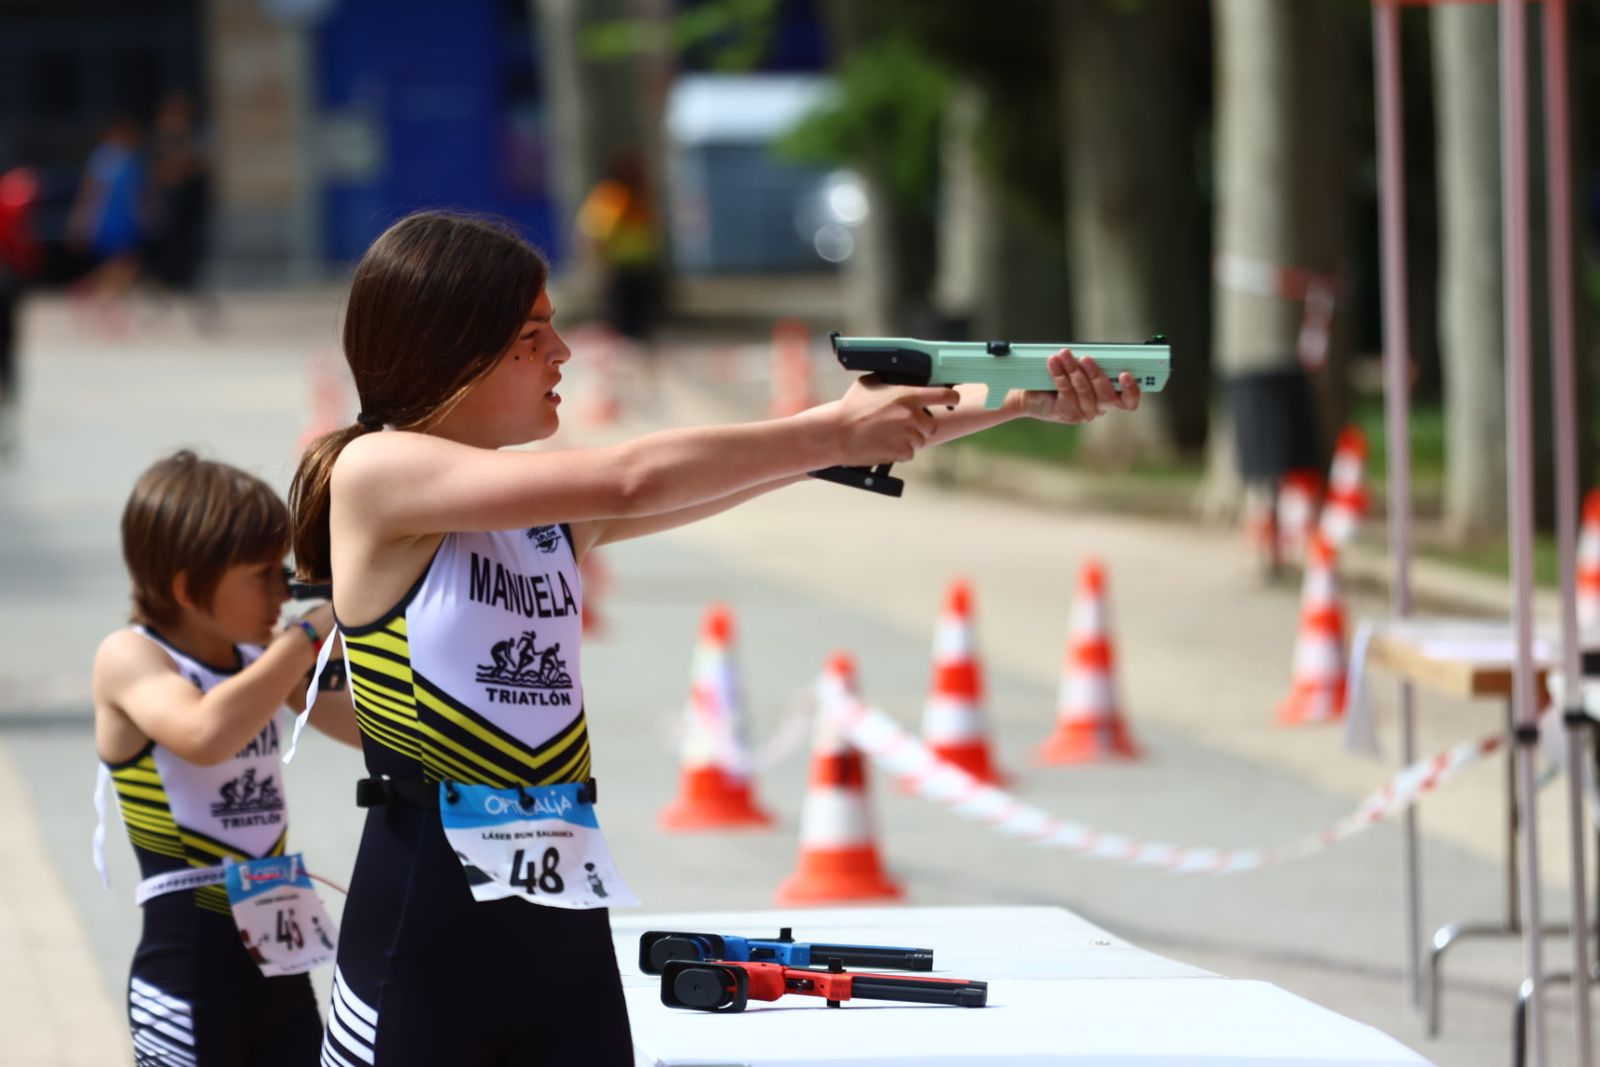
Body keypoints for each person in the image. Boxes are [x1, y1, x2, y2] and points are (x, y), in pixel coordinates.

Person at [288, 210, 1139, 1066]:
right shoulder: (378, 469)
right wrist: (833, 430)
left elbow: (759, 465)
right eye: (533, 332)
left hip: (558, 906)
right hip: (427, 912)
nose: (564, 353)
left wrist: (1018, 402)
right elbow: (633, 476)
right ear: (452, 347)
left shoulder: (541, 514)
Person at [92, 450, 360, 1065]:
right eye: (263, 574)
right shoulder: (132, 657)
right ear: (188, 587)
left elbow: (372, 736)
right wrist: (308, 635)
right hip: (189, 967)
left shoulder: (259, 657)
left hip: (279, 956)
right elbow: (204, 733)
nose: (284, 589)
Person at [66, 116, 146, 337]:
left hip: (125, 220)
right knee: (123, 264)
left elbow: (136, 194)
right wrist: (82, 220)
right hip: (106, 220)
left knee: (123, 266)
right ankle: (103, 302)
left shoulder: (131, 159)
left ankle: (91, 292)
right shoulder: (103, 158)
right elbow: (91, 192)